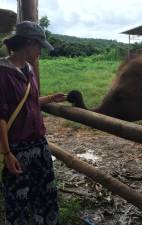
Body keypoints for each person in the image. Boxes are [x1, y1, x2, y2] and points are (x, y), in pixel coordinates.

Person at [0, 21, 67, 225]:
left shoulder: (29, 69)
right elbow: (1, 117)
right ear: (28, 43)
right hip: (17, 149)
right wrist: (7, 154)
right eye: (39, 46)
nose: (41, 51)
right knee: (18, 201)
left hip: (39, 144)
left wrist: (49, 98)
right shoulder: (2, 73)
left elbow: (28, 101)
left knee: (46, 196)